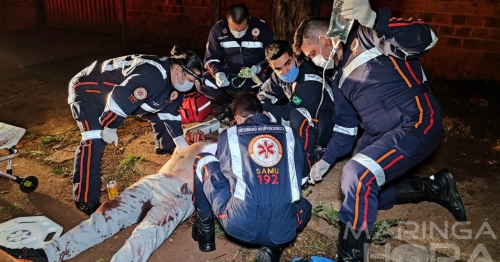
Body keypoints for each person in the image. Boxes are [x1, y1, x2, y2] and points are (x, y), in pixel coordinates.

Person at [293, 0, 467, 260]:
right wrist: (325, 161)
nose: (314, 61)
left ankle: (350, 257)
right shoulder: (337, 77)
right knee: (369, 194)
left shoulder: (366, 33)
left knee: (358, 175)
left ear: (324, 38)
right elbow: (345, 127)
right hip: (380, 134)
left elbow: (427, 38)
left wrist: (375, 20)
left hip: (417, 120)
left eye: (311, 53)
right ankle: (435, 187)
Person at [0, 141, 217, 262]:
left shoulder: (228, 149)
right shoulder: (194, 138)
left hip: (181, 193)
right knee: (104, 215)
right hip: (154, 180)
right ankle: (48, 253)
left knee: (147, 233)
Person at [67, 46, 204, 215]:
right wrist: (110, 126)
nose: (191, 85)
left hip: (118, 94)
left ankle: (165, 146)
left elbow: (170, 114)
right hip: (90, 88)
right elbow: (120, 99)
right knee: (94, 140)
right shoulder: (151, 75)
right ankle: (85, 198)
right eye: (190, 79)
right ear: (177, 70)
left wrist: (181, 144)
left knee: (160, 108)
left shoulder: (176, 83)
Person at [191, 94, 312, 262]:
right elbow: (302, 179)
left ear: (238, 118)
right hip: (284, 229)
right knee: (304, 205)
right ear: (263, 112)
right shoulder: (290, 133)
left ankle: (205, 233)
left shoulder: (229, 134)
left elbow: (225, 177)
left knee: (203, 160)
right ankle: (273, 247)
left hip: (239, 225)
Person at [258, 40, 334, 176]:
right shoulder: (278, 76)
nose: (285, 71)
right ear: (271, 67)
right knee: (265, 112)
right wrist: (262, 111)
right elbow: (263, 97)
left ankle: (304, 167)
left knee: (296, 116)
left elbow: (289, 114)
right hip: (305, 117)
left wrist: (268, 116)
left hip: (328, 127)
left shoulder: (309, 80)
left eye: (288, 63)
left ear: (294, 56)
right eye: (278, 68)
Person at [197, 3, 274, 123]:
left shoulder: (262, 28)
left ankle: (257, 106)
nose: (237, 33)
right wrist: (217, 74)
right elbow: (210, 58)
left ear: (248, 20)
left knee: (273, 79)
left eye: (242, 29)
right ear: (227, 18)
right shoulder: (218, 30)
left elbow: (272, 56)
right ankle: (232, 105)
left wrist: (258, 68)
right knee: (201, 81)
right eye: (233, 29)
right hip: (232, 74)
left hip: (256, 76)